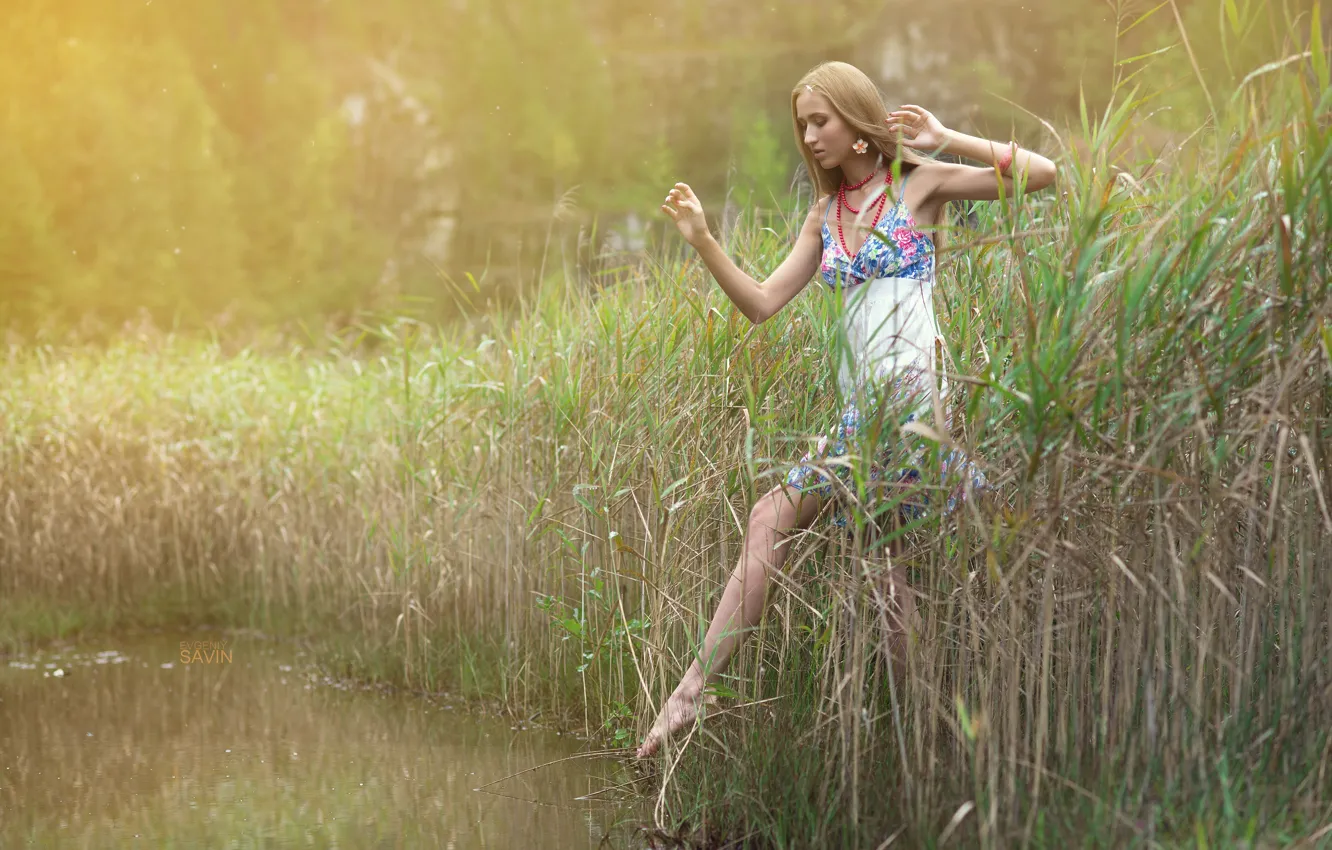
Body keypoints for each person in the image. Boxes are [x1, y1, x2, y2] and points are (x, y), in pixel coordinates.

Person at [635, 60, 1057, 760]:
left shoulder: (918, 187)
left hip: (912, 412)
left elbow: (1041, 174)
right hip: (861, 420)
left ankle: (700, 690)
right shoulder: (825, 216)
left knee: (837, 545)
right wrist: (706, 242)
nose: (809, 135)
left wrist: (949, 135)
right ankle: (925, 745)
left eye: (820, 121)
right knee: (877, 574)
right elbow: (763, 305)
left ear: (860, 128)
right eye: (802, 124)